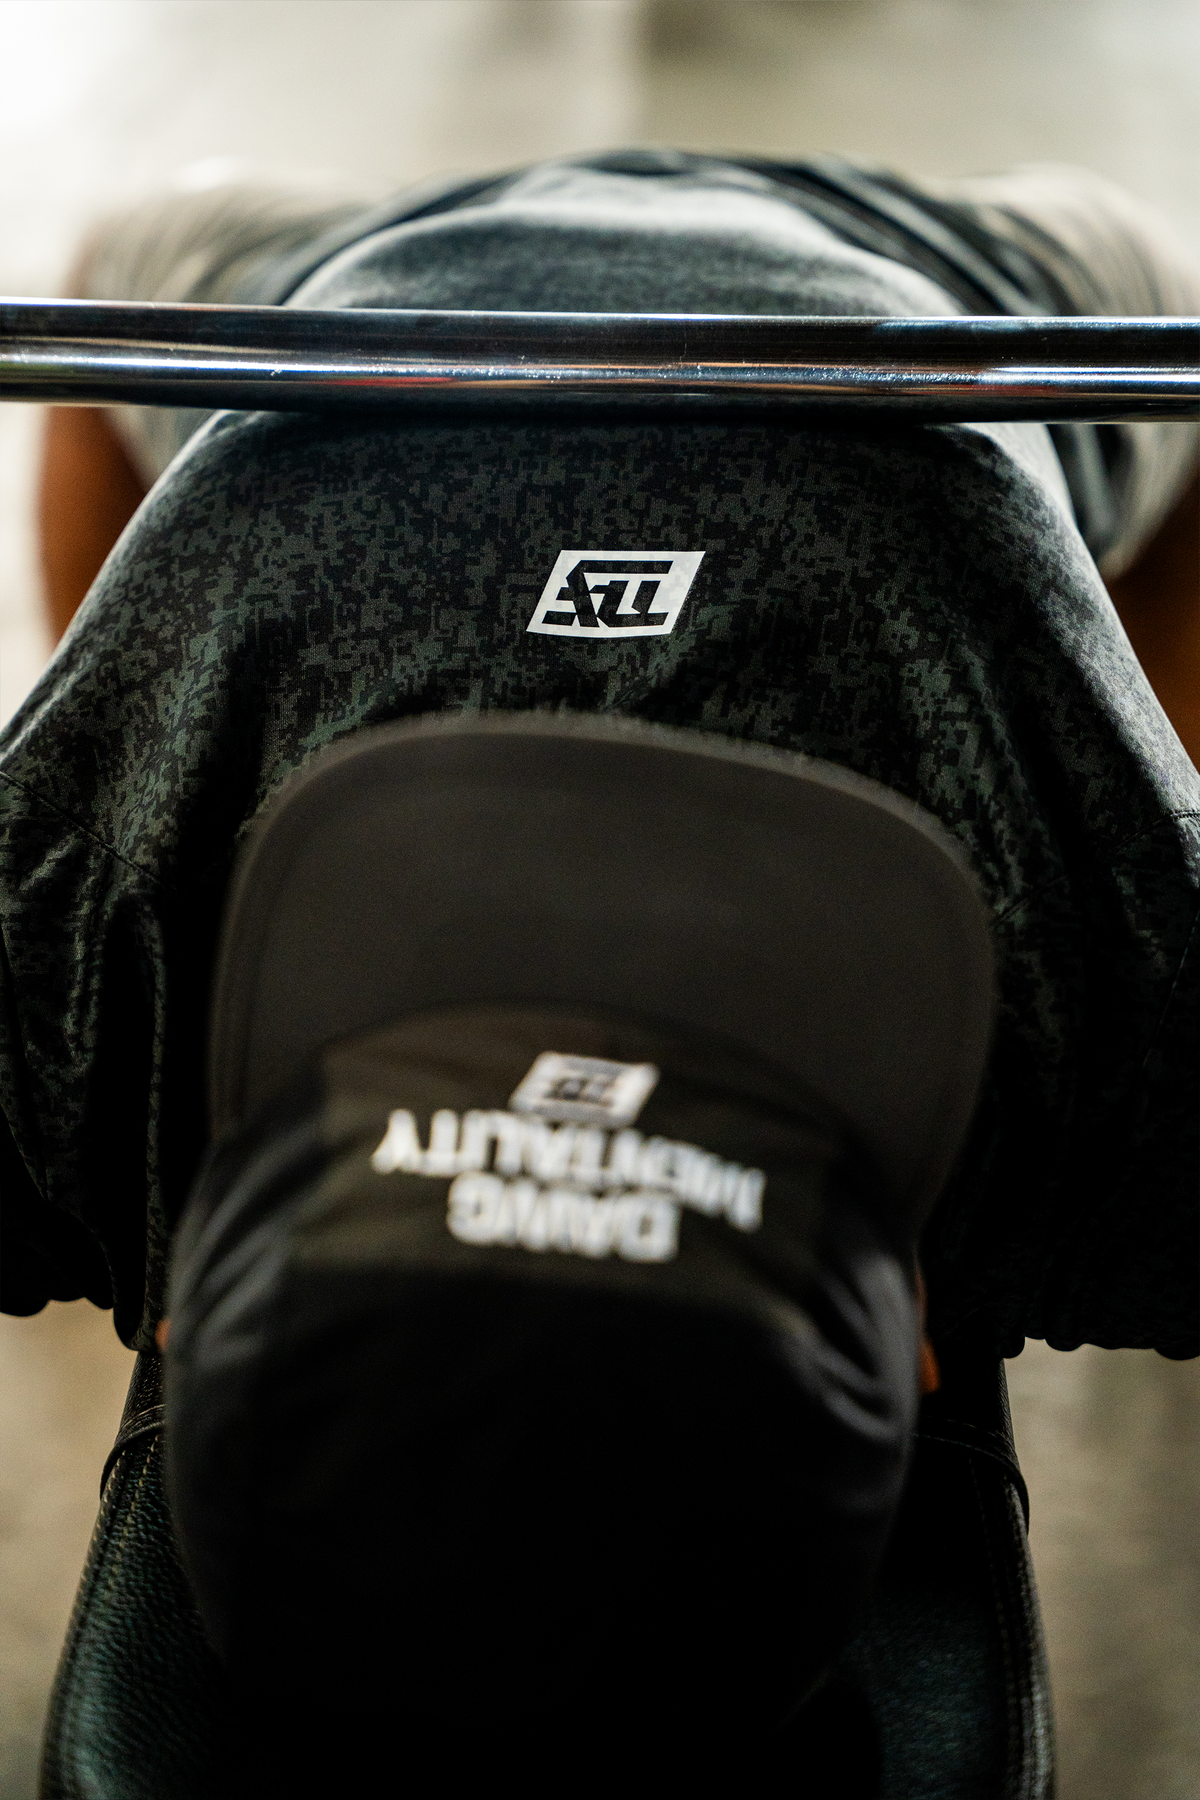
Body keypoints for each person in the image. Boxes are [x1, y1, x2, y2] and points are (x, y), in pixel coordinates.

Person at [2, 149, 1197, 1768]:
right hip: (859, 282)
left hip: (534, 276)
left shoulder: (1114, 988)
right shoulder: (73, 956)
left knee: (118, 257)